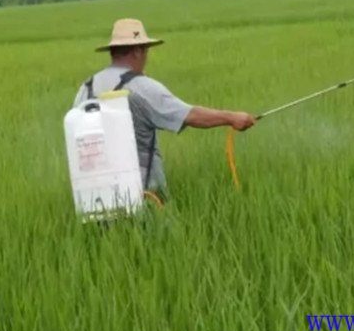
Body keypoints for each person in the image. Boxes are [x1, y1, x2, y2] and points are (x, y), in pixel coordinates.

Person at [73, 18, 256, 203]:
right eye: (145, 50)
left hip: (95, 195)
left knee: (109, 232)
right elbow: (190, 116)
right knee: (159, 231)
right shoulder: (142, 87)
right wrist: (233, 117)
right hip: (143, 193)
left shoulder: (86, 88)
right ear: (137, 51)